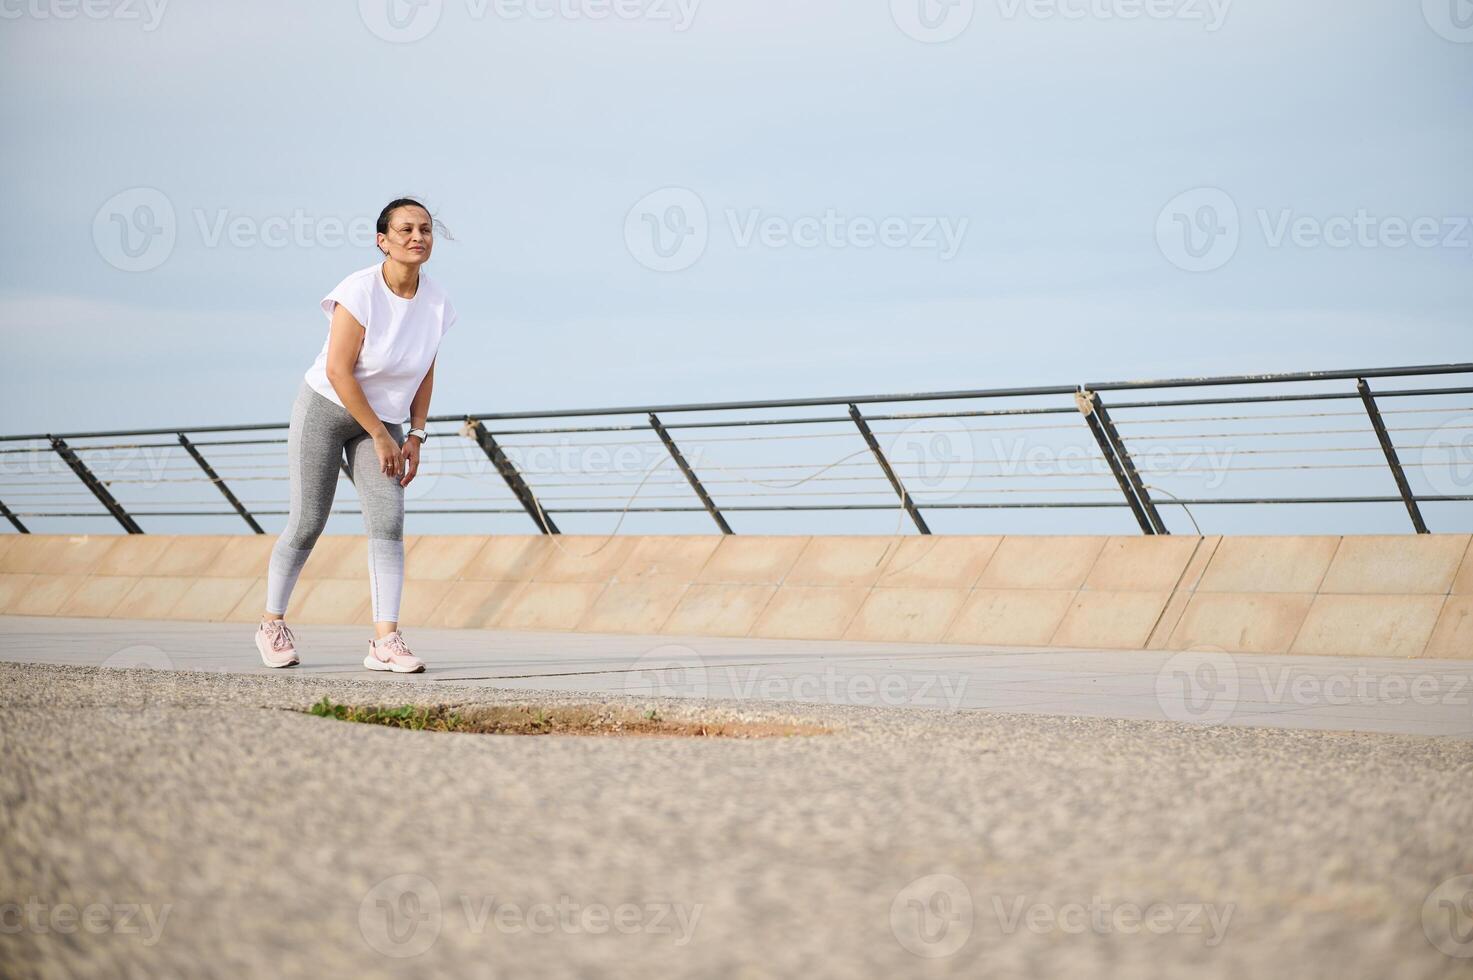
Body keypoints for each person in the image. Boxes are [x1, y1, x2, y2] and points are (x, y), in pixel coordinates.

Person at [254, 197, 456, 673]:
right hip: (327, 407)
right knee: (308, 521)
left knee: (388, 522)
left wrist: (416, 434)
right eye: (405, 230)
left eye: (425, 229)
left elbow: (425, 370)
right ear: (382, 241)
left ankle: (385, 640)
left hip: (383, 419)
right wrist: (381, 436)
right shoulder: (359, 289)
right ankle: (270, 624)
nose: (417, 237)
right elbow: (339, 372)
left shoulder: (437, 300)